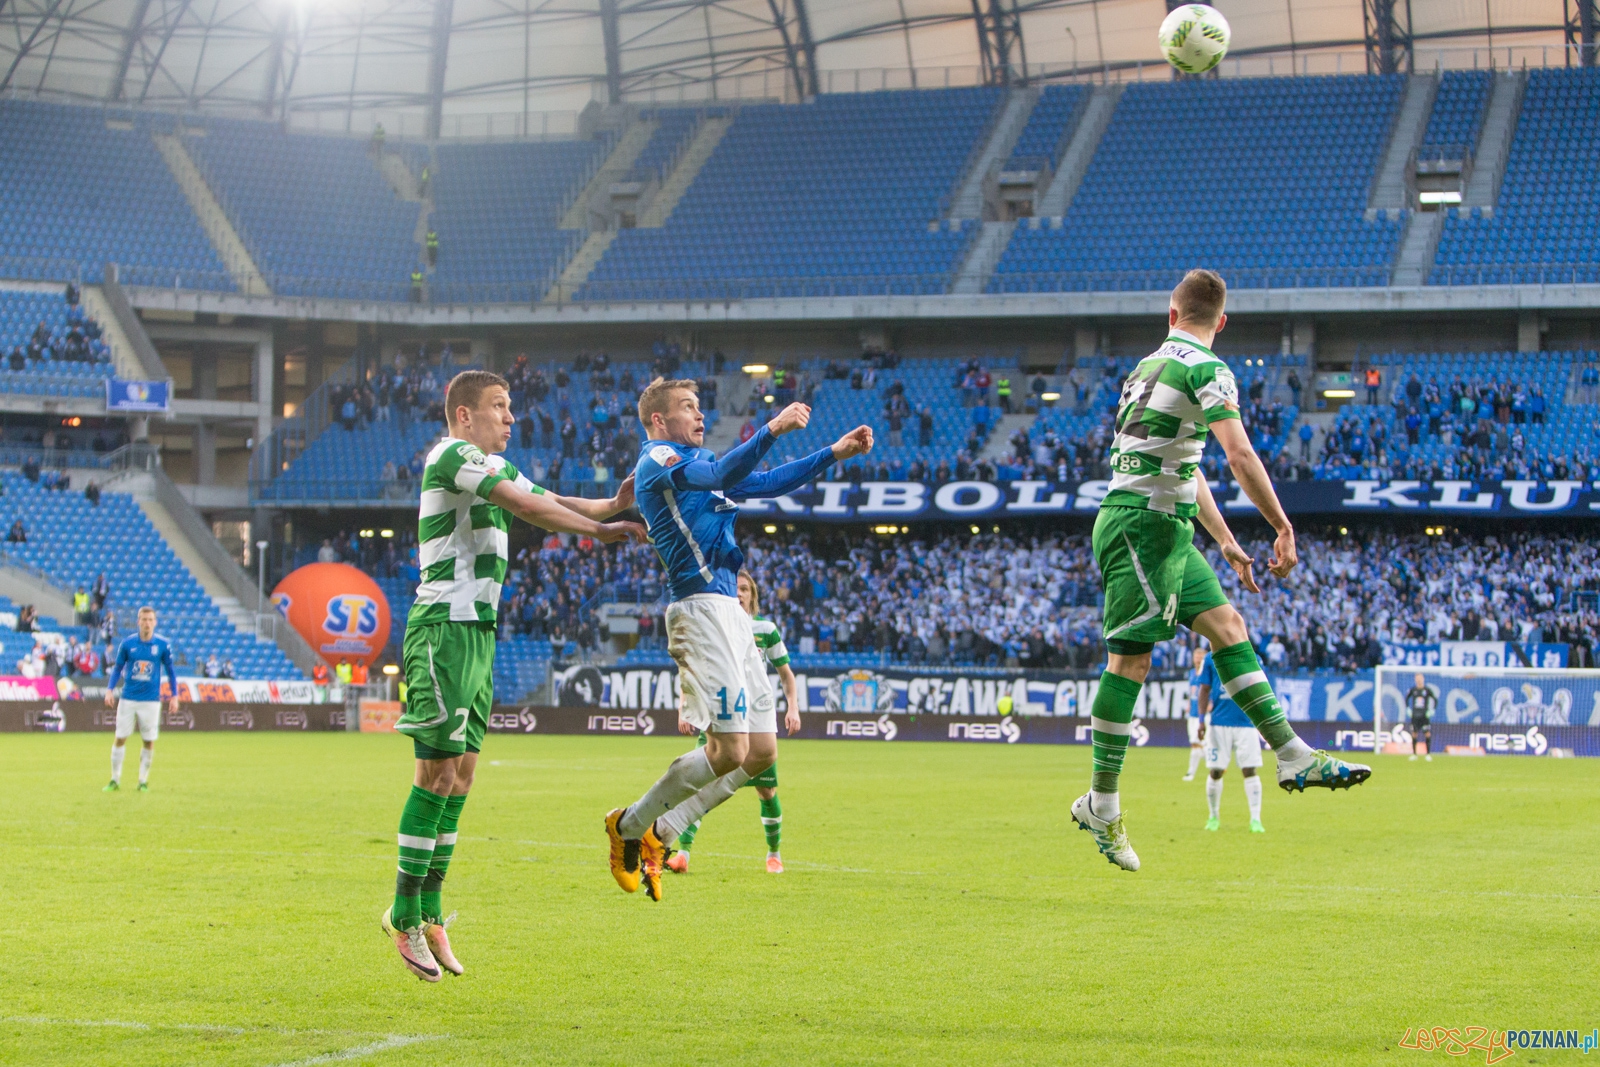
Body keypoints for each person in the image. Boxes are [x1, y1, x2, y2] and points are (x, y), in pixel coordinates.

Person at [1071, 269, 1370, 872]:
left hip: (1166, 526)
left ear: (1172, 314)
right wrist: (1281, 525)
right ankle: (1101, 802)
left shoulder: (1146, 369)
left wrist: (1228, 540)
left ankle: (1291, 754)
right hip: (1142, 526)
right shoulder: (1209, 369)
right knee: (1131, 661)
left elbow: (1187, 463)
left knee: (1229, 626)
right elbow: (1238, 453)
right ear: (1222, 321)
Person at [382, 370, 646, 983]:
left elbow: (547, 496)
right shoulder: (454, 455)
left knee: (463, 774)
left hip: (477, 633)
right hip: (442, 629)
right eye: (500, 407)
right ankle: (403, 915)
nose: (511, 417)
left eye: (511, 407)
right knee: (436, 772)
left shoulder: (487, 461)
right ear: (464, 415)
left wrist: (609, 505)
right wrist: (603, 530)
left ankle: (432, 911)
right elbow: (531, 509)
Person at [605, 378, 872, 902]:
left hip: (732, 613)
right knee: (728, 751)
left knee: (760, 752)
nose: (699, 417)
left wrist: (834, 453)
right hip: (700, 609)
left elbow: (767, 482)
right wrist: (773, 427)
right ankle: (629, 826)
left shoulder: (699, 471)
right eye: (688, 408)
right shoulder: (659, 457)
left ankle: (661, 832)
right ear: (659, 420)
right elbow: (726, 470)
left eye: (700, 407)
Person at [666, 569, 802, 876]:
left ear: (752, 596)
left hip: (757, 718)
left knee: (766, 792)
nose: (739, 593)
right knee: (698, 784)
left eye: (745, 589)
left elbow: (786, 674)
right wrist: (684, 706)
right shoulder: (714, 627)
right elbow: (692, 668)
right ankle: (683, 854)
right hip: (721, 714)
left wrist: (792, 707)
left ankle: (774, 854)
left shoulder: (765, 629)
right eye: (735, 588)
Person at [104, 607, 180, 793]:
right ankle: (115, 779)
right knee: (120, 737)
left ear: (155, 622)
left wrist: (174, 695)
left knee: (149, 740)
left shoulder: (162, 645)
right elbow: (117, 668)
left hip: (151, 701)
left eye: (150, 619)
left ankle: (142, 780)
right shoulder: (128, 643)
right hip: (128, 698)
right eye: (144, 619)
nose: (147, 622)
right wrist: (109, 690)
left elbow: (170, 671)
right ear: (138, 621)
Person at [1196, 650, 1266, 832]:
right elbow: (1204, 689)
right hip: (1219, 722)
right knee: (1216, 771)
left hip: (1246, 722)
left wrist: (1261, 719)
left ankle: (1256, 820)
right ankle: (1213, 816)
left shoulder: (1252, 657)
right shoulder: (1210, 658)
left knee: (1250, 769)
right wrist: (1201, 719)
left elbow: (1260, 689)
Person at [1183, 645, 1208, 781]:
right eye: (1196, 656)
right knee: (1198, 743)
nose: (1197, 659)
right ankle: (1213, 762)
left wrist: (1210, 704)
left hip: (1202, 713)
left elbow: (1209, 690)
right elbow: (1191, 690)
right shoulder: (1192, 673)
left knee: (1196, 742)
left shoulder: (1207, 672)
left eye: (1200, 657)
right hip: (1192, 712)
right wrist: (1188, 704)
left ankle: (1191, 773)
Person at [1405, 672, 1435, 762]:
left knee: (1427, 734)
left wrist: (1432, 710)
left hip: (1424, 716)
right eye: (1417, 678)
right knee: (1414, 734)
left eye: (1420, 678)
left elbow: (1435, 700)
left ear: (1423, 679)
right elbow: (1406, 699)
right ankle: (1414, 754)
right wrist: (1408, 708)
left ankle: (1428, 754)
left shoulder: (1427, 690)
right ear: (1415, 679)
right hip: (1415, 716)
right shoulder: (1413, 690)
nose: (1419, 680)